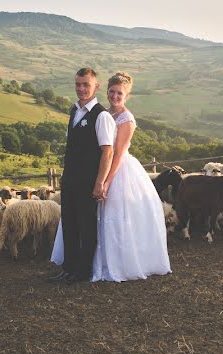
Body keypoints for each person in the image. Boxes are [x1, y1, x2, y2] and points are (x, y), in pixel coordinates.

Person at [91, 72, 171, 282]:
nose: (115, 96)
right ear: (106, 91)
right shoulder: (105, 113)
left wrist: (107, 181)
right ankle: (102, 259)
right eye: (112, 91)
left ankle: (121, 263)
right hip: (103, 166)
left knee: (119, 217)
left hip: (120, 171)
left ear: (127, 96)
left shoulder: (127, 119)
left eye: (120, 93)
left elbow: (118, 153)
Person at [49, 67, 115, 281]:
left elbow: (107, 151)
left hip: (88, 180)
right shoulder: (74, 111)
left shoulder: (102, 116)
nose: (81, 88)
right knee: (69, 223)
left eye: (86, 84)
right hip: (70, 179)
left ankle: (83, 272)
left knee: (86, 226)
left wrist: (99, 183)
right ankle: (68, 269)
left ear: (96, 86)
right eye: (78, 84)